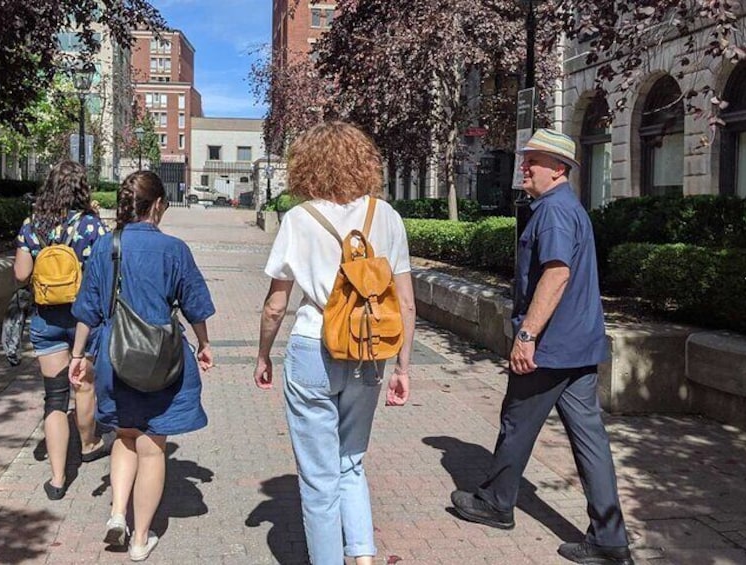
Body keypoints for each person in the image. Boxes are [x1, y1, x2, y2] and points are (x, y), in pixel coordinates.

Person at [450, 129, 633, 565]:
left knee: (517, 423)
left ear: (560, 170)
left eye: (535, 160)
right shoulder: (568, 208)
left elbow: (556, 275)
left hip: (550, 347)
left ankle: (496, 503)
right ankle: (609, 538)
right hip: (579, 346)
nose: (525, 166)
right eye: (526, 157)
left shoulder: (552, 211)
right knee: (590, 441)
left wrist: (527, 335)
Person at [253, 121, 416, 565]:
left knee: (318, 477)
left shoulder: (299, 219)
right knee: (351, 462)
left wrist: (263, 355)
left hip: (312, 346)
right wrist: (402, 367)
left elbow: (275, 305)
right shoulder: (387, 217)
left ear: (307, 166)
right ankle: (362, 557)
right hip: (370, 349)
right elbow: (405, 302)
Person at [68, 170, 215, 562]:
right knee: (152, 448)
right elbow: (195, 305)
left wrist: (78, 356)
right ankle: (140, 539)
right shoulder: (175, 250)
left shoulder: (104, 247)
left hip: (116, 356)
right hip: (162, 359)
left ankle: (118, 514)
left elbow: (87, 309)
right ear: (158, 205)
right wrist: (203, 344)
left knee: (125, 436)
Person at [13, 160, 111, 501]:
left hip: (46, 318)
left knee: (54, 397)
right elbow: (102, 275)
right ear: (81, 188)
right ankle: (89, 444)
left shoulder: (31, 225)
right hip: (84, 318)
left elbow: (21, 275)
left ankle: (57, 480)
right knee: (83, 387)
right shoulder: (91, 227)